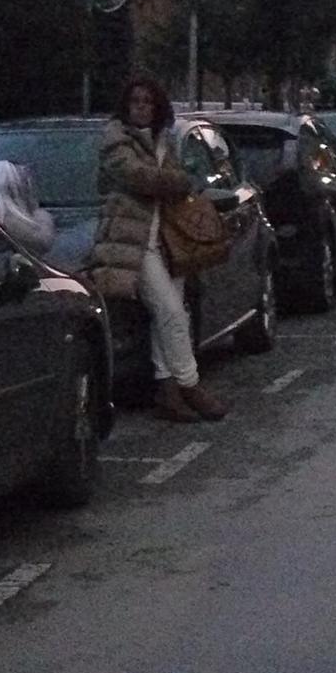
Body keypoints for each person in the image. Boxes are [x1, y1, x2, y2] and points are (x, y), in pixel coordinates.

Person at [86, 76, 228, 424]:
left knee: (171, 314)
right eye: (135, 101)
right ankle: (190, 384)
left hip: (168, 240)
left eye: (148, 102)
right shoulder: (116, 138)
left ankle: (167, 389)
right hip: (135, 245)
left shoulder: (165, 139)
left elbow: (177, 180)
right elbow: (139, 177)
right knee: (171, 313)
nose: (142, 108)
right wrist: (175, 182)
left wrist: (174, 181)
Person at [0, 160, 57, 258]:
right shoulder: (15, 225)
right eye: (26, 187)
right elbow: (43, 242)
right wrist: (42, 216)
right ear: (15, 192)